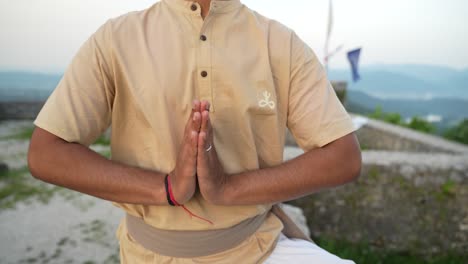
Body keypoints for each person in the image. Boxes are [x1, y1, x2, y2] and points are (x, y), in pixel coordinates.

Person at [28, 0, 362, 263]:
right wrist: (169, 187)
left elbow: (342, 156)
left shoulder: (280, 43)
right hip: (147, 256)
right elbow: (47, 152)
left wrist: (228, 188)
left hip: (258, 249)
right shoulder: (116, 39)